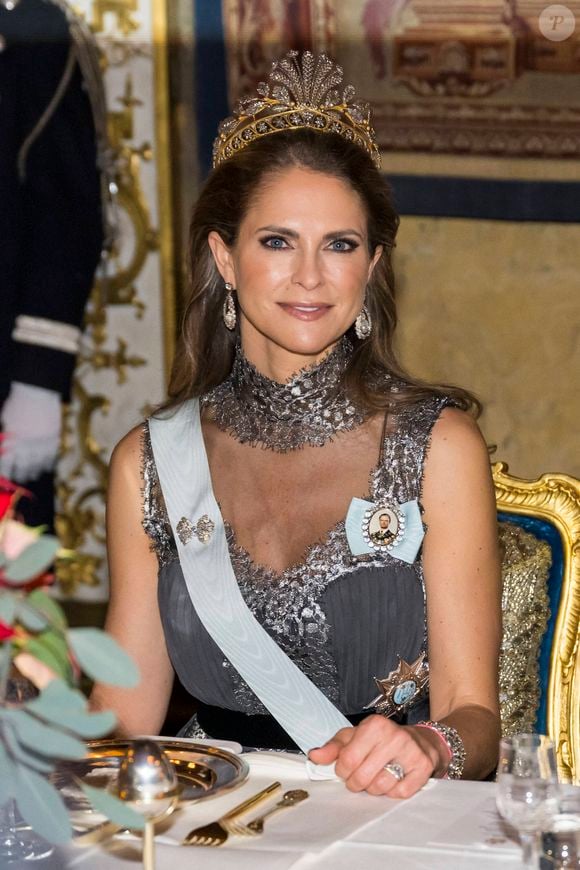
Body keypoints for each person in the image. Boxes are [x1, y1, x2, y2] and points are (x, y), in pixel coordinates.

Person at [92, 51, 501, 798]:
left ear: (371, 266)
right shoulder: (149, 464)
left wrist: (429, 747)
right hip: (205, 822)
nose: (310, 276)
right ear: (224, 256)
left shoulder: (436, 447)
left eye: (339, 245)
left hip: (384, 816)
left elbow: (474, 720)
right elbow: (123, 716)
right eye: (277, 241)